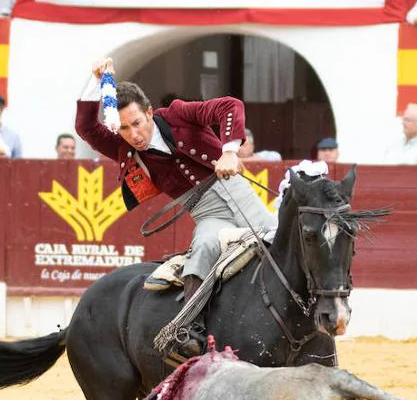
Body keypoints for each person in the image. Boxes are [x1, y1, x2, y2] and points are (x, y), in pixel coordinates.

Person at [74, 58, 276, 363]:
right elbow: (85, 127)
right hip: (207, 213)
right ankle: (189, 333)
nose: (134, 135)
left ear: (150, 113)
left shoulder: (179, 113)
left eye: (137, 123)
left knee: (277, 242)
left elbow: (229, 106)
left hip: (239, 194)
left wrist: (230, 151)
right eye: (125, 128)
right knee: (204, 248)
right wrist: (95, 80)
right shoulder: (123, 148)